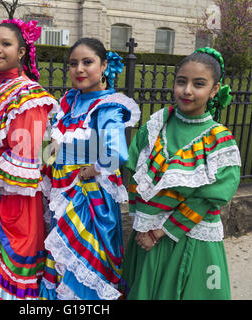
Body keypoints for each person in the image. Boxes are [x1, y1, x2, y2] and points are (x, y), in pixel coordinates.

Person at [122, 47, 241, 299]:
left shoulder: (220, 140)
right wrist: (143, 224)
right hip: (146, 236)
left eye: (198, 84)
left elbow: (209, 198)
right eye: (181, 81)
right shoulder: (156, 125)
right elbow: (133, 171)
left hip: (188, 238)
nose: (187, 90)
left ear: (214, 90)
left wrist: (159, 231)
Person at [38, 38, 141, 300]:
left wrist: (89, 170)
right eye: (73, 64)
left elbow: (116, 153)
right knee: (63, 253)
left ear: (104, 65)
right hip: (62, 191)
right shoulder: (70, 101)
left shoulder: (106, 106)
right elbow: (57, 140)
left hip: (88, 195)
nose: (79, 69)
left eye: (88, 62)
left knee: (82, 256)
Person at [0, 19, 60, 300]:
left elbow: (30, 154)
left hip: (12, 195)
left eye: (5, 44)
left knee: (6, 269)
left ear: (21, 52)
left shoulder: (30, 96)